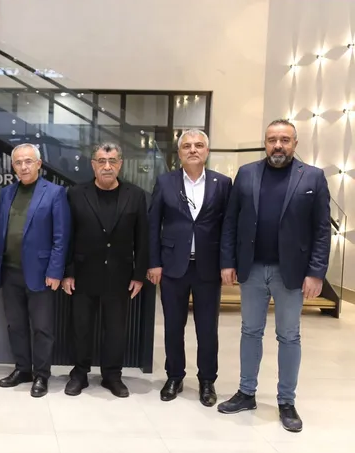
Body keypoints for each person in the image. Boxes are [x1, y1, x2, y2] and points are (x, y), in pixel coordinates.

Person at [218, 119, 330, 433]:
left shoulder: (313, 177)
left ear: (295, 143)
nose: (278, 145)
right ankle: (246, 393)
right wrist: (227, 262)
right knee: (250, 331)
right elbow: (231, 222)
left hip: (290, 272)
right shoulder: (246, 174)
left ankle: (286, 401)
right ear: (265, 143)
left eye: (284, 140)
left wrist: (316, 272)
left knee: (289, 336)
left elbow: (322, 230)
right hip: (252, 268)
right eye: (272, 140)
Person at [147, 130, 232, 406]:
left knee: (207, 329)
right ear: (179, 152)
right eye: (186, 146)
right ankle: (174, 376)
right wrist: (154, 262)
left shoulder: (222, 183)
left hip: (208, 267)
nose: (192, 150)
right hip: (173, 267)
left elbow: (229, 227)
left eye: (198, 145)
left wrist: (227, 263)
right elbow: (153, 224)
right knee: (173, 326)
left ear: (207, 151)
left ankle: (207, 380)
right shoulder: (165, 182)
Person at [62, 142, 148, 399]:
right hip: (83, 273)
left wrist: (139, 274)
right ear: (93, 165)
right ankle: (79, 373)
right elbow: (67, 235)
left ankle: (112, 375)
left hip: (120, 275)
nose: (107, 166)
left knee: (115, 329)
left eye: (112, 161)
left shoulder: (135, 195)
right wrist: (68, 271)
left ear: (120, 164)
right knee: (81, 327)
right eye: (101, 161)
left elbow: (142, 237)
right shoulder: (76, 193)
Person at [0, 143, 70, 398]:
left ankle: (41, 374)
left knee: (42, 328)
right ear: (13, 166)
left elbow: (61, 236)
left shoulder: (55, 193)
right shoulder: (6, 193)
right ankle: (23, 369)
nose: (23, 167)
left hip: (41, 273)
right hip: (10, 271)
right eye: (18, 162)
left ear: (38, 164)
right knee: (16, 325)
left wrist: (55, 271)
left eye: (28, 161)